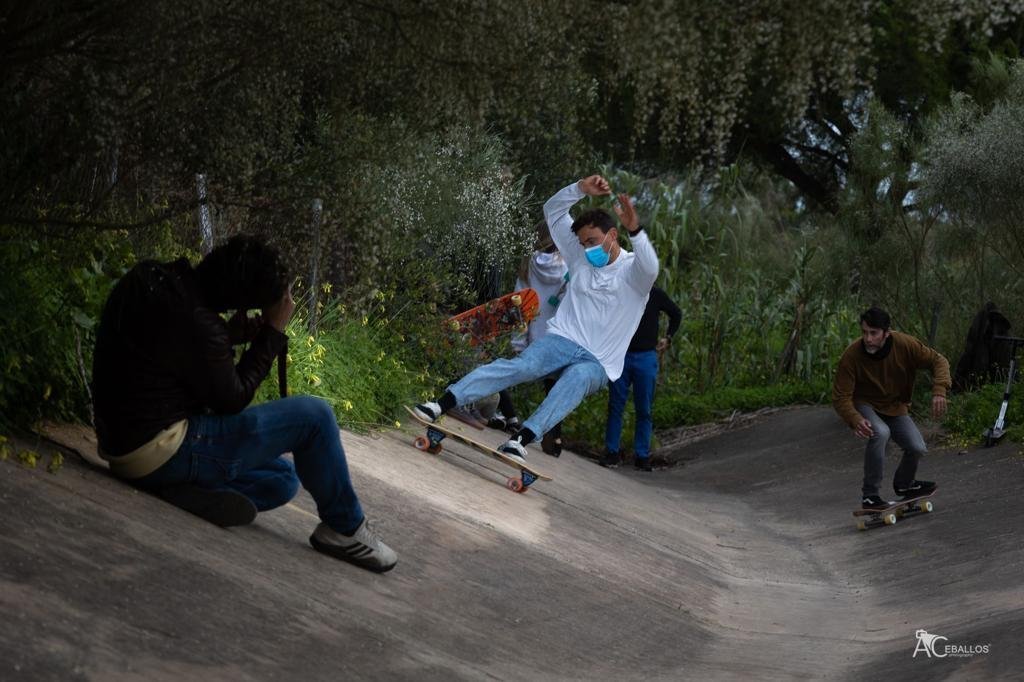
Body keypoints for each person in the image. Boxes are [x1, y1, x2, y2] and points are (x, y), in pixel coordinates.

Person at [92, 235, 397, 573]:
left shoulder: (153, 277)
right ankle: (347, 530)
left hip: (120, 447)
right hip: (161, 448)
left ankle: (178, 488)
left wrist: (228, 335)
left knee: (283, 479)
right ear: (242, 301)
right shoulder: (200, 324)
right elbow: (231, 400)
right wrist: (271, 334)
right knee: (315, 417)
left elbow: (169, 352)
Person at [414, 174, 659, 462]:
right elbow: (553, 212)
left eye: (593, 241)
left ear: (612, 236)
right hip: (563, 339)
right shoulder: (580, 255)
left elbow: (651, 266)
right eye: (582, 243)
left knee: (577, 380)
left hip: (599, 361)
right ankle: (442, 403)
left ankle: (521, 439)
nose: (587, 249)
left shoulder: (634, 273)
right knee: (523, 366)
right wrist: (580, 188)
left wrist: (636, 230)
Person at [832, 306, 951, 510]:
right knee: (880, 432)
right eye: (864, 333)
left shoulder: (905, 344)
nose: (868, 339)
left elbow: (938, 360)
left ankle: (905, 485)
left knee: (917, 447)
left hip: (895, 406)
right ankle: (870, 495)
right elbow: (841, 396)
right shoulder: (852, 355)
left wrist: (939, 389)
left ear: (887, 333)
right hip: (865, 404)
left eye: (874, 333)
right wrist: (854, 418)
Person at [505, 220, 570, 455]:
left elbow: (518, 300)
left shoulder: (528, 263)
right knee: (553, 385)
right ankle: (555, 435)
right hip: (554, 330)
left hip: (531, 324)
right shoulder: (568, 265)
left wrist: (518, 340)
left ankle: (509, 414)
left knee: (509, 371)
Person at [600, 286, 681, 471]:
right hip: (621, 355)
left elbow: (676, 313)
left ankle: (642, 455)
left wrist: (668, 338)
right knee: (615, 406)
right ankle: (612, 453)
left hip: (646, 356)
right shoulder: (621, 289)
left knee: (644, 409)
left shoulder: (655, 293)